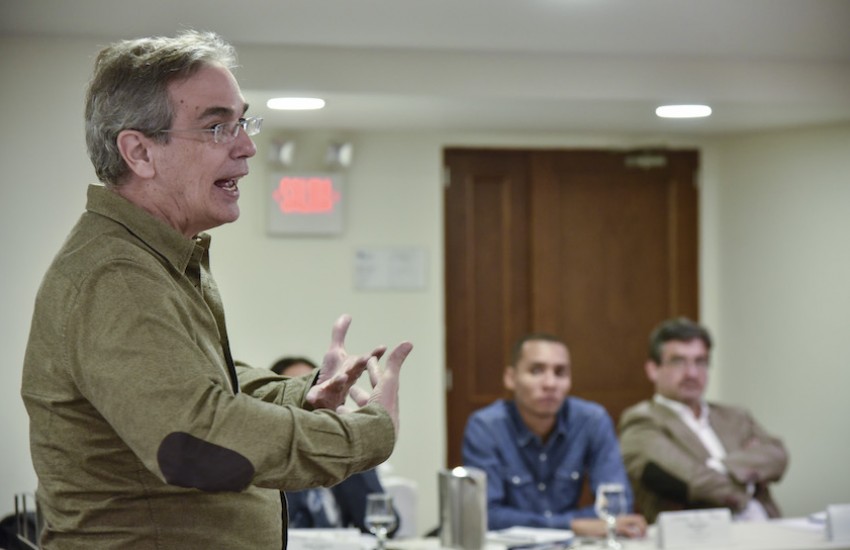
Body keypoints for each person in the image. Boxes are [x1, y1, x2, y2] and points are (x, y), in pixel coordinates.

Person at [20, 30, 412, 549]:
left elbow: (199, 385)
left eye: (242, 122)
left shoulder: (152, 258)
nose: (247, 147)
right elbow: (197, 442)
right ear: (139, 152)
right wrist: (366, 433)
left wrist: (302, 394)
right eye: (216, 127)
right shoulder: (117, 275)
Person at [462, 333, 646, 538]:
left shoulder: (592, 419)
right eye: (536, 371)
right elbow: (486, 514)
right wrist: (573, 525)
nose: (550, 383)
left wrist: (574, 525)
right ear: (511, 378)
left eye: (560, 373)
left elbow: (618, 504)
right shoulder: (486, 426)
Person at [618, 317, 788, 524]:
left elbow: (777, 456)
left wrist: (720, 466)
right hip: (700, 537)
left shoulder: (735, 415)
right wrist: (748, 480)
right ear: (653, 369)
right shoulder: (642, 421)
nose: (692, 373)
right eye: (678, 361)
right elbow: (692, 482)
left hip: (770, 527)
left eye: (700, 362)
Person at [272, 357, 400, 536]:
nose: (310, 402)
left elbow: (387, 527)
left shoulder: (340, 451)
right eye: (299, 393)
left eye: (314, 390)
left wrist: (357, 447)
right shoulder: (268, 460)